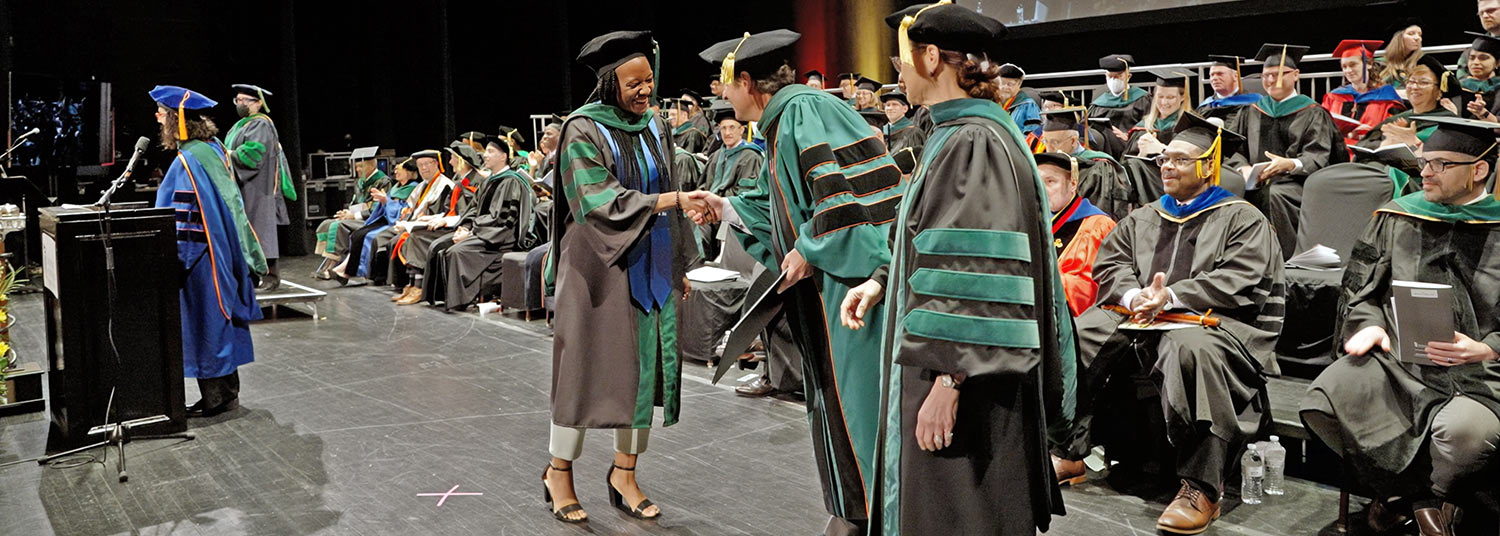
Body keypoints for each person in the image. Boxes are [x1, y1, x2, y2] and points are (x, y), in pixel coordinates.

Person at [839, 5, 1069, 534]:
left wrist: (948, 381)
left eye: (902, 60)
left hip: (966, 376)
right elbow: (937, 242)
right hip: (955, 364)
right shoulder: (957, 132)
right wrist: (882, 281)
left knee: (958, 512)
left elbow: (978, 267)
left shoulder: (973, 142)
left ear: (931, 58)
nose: (898, 72)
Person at [695, 28, 903, 536]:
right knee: (837, 402)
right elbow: (792, 208)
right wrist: (728, 208)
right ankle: (854, 509)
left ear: (747, 81)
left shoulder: (803, 112)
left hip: (850, 288)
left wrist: (810, 248)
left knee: (859, 404)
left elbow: (842, 200)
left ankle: (879, 514)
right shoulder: (782, 121)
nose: (723, 95)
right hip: (828, 287)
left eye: (727, 84)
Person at [1064, 113, 1283, 534]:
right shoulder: (1144, 216)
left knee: (1189, 348)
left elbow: (1240, 278)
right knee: (1083, 331)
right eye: (1165, 158)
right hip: (1141, 315)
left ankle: (1202, 487)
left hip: (1216, 323)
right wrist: (1135, 296)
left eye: (1181, 160)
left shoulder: (1242, 218)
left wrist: (1170, 296)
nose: (1167, 166)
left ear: (1208, 166)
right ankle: (1069, 450)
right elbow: (1111, 264)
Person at [1302, 115, 1500, 536]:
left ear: (1479, 169)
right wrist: (1370, 324)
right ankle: (1415, 498)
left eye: (1441, 164)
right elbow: (1362, 290)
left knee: (1464, 434)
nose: (1425, 172)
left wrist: (1489, 347)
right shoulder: (1397, 216)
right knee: (1324, 399)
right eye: (1424, 161)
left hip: (1481, 372)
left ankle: (1419, 497)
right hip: (1399, 363)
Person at [542, 30, 710, 525]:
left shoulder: (656, 124)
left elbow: (671, 185)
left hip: (651, 266)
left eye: (649, 80)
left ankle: (625, 474)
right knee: (580, 373)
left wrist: (679, 263)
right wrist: (669, 201)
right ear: (609, 84)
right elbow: (596, 200)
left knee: (644, 373)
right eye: (633, 83)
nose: (644, 91)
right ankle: (558, 474)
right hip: (596, 268)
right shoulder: (582, 128)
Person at [149, 85, 262, 418]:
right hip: (221, 248)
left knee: (205, 321)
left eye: (161, 114)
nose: (158, 119)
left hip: (199, 254)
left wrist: (174, 259)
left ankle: (216, 398)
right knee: (217, 319)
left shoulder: (189, 160)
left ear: (177, 119)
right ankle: (226, 394)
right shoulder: (213, 148)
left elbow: (185, 217)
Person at [1226, 43, 1347, 260]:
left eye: (1278, 74)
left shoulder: (1312, 112)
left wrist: (1290, 164)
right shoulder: (1251, 111)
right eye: (1266, 75)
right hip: (1254, 182)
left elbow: (1318, 155)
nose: (1271, 80)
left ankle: (1284, 260)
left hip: (1297, 183)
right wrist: (1243, 168)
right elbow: (1233, 147)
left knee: (1275, 194)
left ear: (1296, 75)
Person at [429, 136, 540, 311]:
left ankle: (460, 300)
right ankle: (443, 297)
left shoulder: (511, 181)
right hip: (484, 232)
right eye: (486, 151)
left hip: (499, 238)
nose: (485, 155)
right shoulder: (488, 181)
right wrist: (465, 227)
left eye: (490, 152)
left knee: (456, 251)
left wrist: (471, 233)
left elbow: (502, 219)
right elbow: (473, 209)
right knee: (439, 245)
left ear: (503, 156)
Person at [224, 84, 293, 291]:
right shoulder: (240, 125)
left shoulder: (261, 124)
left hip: (257, 187)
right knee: (247, 230)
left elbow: (254, 155)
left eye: (245, 100)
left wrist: (228, 154)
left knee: (260, 229)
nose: (240, 104)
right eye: (238, 100)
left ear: (259, 103)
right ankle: (251, 276)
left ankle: (270, 276)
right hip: (243, 185)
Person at [395, 144, 480, 305]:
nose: (450, 162)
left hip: (462, 228)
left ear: (462, 161)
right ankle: (413, 284)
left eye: (453, 158)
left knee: (418, 237)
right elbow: (450, 210)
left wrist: (444, 220)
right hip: (453, 223)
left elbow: (468, 214)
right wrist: (433, 218)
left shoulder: (473, 183)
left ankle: (419, 286)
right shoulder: (461, 182)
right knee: (413, 235)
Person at [1036, 152, 1116, 316]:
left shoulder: (1099, 226)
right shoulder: (1033, 221)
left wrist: (1043, 279)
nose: (1042, 189)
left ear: (1073, 185)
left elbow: (1096, 289)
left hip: (1076, 320)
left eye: (1050, 181)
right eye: (1037, 182)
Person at [366, 150, 453, 291]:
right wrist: (404, 220)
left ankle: (409, 284)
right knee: (379, 237)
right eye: (420, 165)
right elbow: (409, 208)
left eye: (427, 164)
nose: (423, 168)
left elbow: (440, 211)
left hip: (427, 225)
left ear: (436, 163)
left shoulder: (445, 185)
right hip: (410, 222)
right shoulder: (421, 185)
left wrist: (410, 223)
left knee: (398, 240)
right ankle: (390, 281)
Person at [332, 157, 422, 283]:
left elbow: (404, 210)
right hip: (383, 216)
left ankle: (353, 271)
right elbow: (383, 206)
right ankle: (347, 269)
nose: (395, 172)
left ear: (408, 172)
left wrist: (386, 201)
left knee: (369, 236)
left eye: (398, 169)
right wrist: (383, 201)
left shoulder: (413, 188)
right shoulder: (396, 187)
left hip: (395, 220)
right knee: (357, 234)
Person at [698, 101, 763, 260]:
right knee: (694, 228)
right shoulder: (715, 156)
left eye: (732, 127)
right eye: (723, 128)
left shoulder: (750, 156)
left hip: (735, 215)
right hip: (710, 212)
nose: (727, 132)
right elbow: (703, 185)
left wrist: (718, 200)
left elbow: (747, 195)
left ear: (742, 130)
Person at [1042, 107, 1134, 219]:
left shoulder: (1099, 167)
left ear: (1073, 141)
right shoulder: (1046, 166)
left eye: (1055, 142)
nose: (1049, 149)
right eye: (1045, 141)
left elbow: (1100, 211)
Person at [314, 147, 391, 279]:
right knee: (327, 223)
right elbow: (356, 203)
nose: (358, 170)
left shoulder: (383, 181)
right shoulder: (361, 182)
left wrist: (353, 216)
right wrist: (347, 212)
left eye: (361, 166)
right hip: (357, 217)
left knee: (338, 226)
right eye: (356, 167)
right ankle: (327, 263)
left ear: (372, 165)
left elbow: (377, 209)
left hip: (372, 220)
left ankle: (332, 265)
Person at [1322, 40, 1406, 152]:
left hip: (1369, 152)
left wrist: (1364, 136)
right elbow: (1322, 130)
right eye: (1344, 67)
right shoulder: (1334, 97)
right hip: (1337, 152)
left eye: (1353, 65)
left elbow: (1393, 133)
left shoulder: (1387, 98)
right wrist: (1350, 134)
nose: (1348, 70)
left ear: (1369, 64)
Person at [1125, 69, 1189, 157]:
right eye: (1160, 96)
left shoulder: (1188, 128)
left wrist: (1161, 149)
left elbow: (1191, 160)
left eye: (1170, 97)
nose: (1164, 102)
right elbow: (1126, 162)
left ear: (1183, 97)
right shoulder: (1143, 126)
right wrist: (1142, 153)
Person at [1089, 54, 1151, 136]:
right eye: (1110, 76)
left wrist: (1128, 136)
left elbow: (1148, 125)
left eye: (1118, 76)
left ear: (1128, 77)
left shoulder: (1142, 99)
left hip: (1128, 141)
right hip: (1101, 140)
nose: (1113, 80)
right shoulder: (1099, 102)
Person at [1195, 55, 1260, 125]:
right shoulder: (1206, 105)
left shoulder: (1251, 103)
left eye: (1220, 74)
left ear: (1235, 76)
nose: (1214, 78)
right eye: (1212, 75)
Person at [880, 90, 926, 163]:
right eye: (888, 105)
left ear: (905, 109)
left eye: (895, 104)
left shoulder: (913, 132)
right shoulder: (881, 131)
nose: (890, 108)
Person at [997, 63, 1042, 136]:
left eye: (1010, 84)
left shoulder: (1029, 105)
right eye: (1002, 83)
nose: (1005, 87)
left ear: (1019, 84)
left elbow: (1032, 136)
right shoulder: (993, 103)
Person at [1379, 20, 1424, 89]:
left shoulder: (1422, 63)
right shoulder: (1380, 63)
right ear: (1398, 38)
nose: (1417, 38)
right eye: (1411, 34)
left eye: (1420, 35)